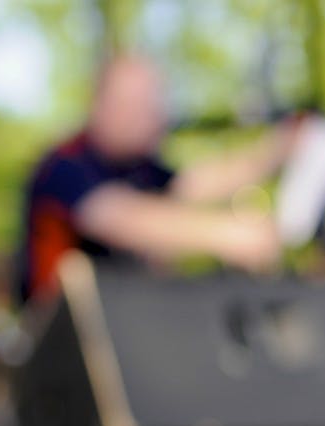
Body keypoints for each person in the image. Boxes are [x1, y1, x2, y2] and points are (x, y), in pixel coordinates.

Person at [18, 54, 303, 302]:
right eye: (135, 103)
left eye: (154, 101)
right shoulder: (64, 165)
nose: (154, 114)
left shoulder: (141, 169)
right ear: (100, 103)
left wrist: (276, 150)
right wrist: (223, 234)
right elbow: (119, 217)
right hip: (58, 343)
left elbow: (192, 184)